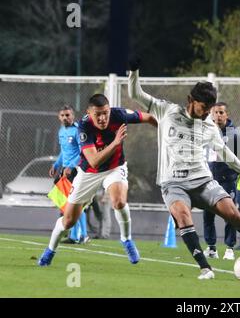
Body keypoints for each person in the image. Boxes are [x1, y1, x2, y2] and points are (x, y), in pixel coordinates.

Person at [128, 59, 240, 280]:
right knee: (183, 216)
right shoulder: (167, 111)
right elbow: (136, 94)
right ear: (191, 100)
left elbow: (223, 151)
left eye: (210, 109)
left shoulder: (209, 125)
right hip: (174, 183)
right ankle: (205, 268)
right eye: (204, 108)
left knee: (233, 214)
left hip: (203, 181)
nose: (207, 113)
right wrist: (134, 71)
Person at [38, 93, 158, 266]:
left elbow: (148, 117)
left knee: (119, 202)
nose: (102, 118)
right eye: (98, 114)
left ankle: (126, 240)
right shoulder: (84, 127)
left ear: (109, 110)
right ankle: (50, 251)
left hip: (115, 168)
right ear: (89, 112)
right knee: (68, 220)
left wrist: (164, 132)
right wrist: (115, 143)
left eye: (105, 113)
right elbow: (94, 160)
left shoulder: (119, 114)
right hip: (89, 172)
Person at [203, 102, 240, 261]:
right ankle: (211, 247)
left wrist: (232, 175)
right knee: (207, 214)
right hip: (208, 181)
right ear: (211, 114)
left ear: (227, 115)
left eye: (221, 112)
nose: (218, 115)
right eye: (215, 112)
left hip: (227, 181)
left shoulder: (236, 134)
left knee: (229, 214)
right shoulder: (206, 131)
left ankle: (229, 248)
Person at [49, 105, 89, 244]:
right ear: (59, 117)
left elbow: (82, 152)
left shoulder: (78, 131)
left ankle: (81, 235)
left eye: (68, 115)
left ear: (73, 116)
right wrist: (56, 165)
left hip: (75, 170)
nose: (65, 118)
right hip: (65, 169)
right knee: (66, 202)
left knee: (74, 202)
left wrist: (71, 166)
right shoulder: (61, 131)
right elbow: (63, 152)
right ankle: (75, 234)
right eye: (62, 115)